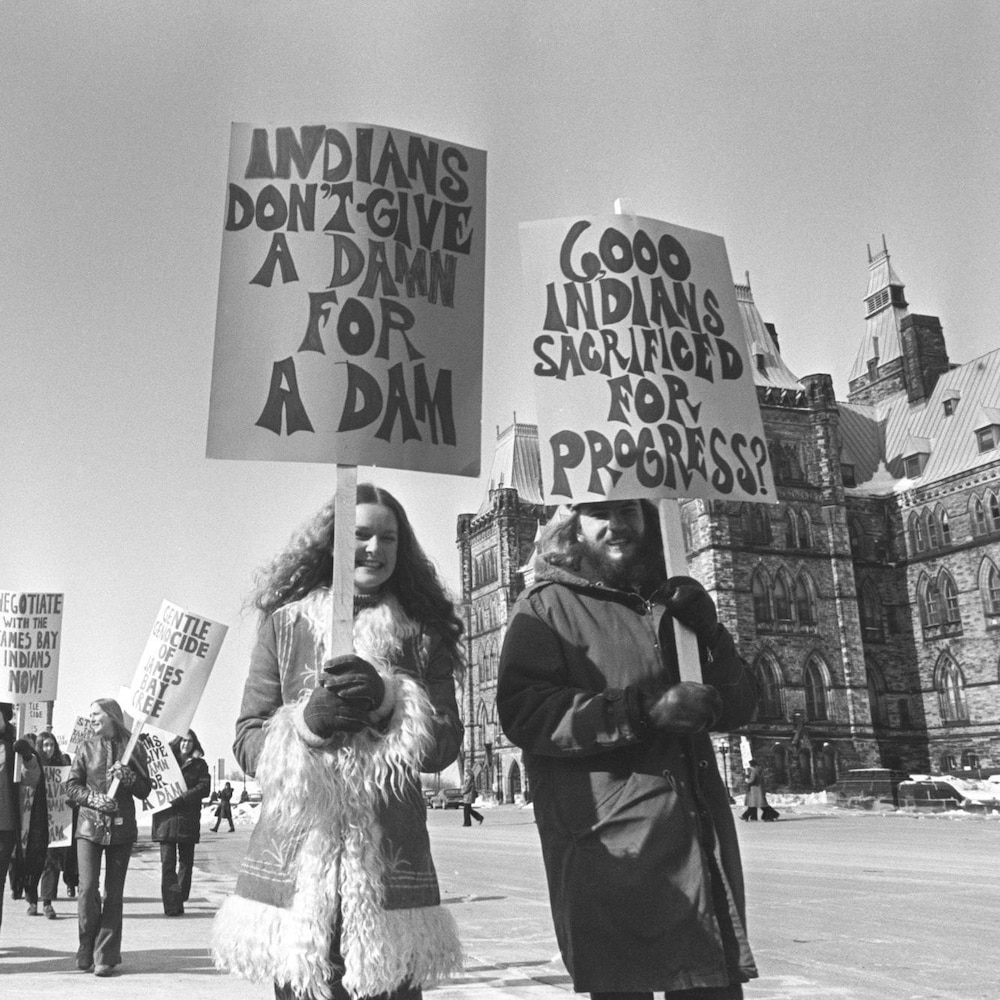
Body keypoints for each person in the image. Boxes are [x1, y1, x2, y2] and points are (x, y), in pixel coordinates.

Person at [497, 499, 760, 1000]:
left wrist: (711, 632)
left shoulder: (672, 603)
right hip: (612, 855)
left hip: (696, 854)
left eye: (628, 511)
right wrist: (642, 712)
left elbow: (740, 706)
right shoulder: (546, 607)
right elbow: (525, 711)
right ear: (573, 526)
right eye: (600, 513)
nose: (617, 525)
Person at [213, 483, 464, 1000]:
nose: (376, 549)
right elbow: (246, 740)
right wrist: (307, 723)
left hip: (389, 865)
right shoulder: (284, 627)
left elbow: (444, 746)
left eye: (389, 538)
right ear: (332, 544)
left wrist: (392, 702)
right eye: (361, 535)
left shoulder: (423, 634)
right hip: (298, 862)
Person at [66, 698, 151, 977]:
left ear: (112, 716)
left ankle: (106, 955)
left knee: (113, 894)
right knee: (88, 889)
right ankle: (85, 948)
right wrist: (92, 799)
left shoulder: (133, 748)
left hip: (121, 829)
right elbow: (72, 786)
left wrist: (128, 778)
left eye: (96, 714)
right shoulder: (85, 747)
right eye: (90, 714)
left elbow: (145, 789)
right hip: (89, 829)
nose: (92, 719)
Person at [151, 729, 211, 915]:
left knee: (186, 864)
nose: (186, 744)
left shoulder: (200, 765)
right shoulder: (165, 763)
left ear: (194, 744)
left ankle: (181, 897)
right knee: (167, 864)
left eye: (190, 742)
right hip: (165, 820)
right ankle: (171, 905)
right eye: (183, 741)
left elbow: (204, 787)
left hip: (187, 820)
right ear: (178, 742)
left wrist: (183, 798)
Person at [0, 703, 41, 938]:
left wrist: (27, 755)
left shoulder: (14, 746)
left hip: (4, 827)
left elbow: (32, 779)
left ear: (5, 718)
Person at [10, 728, 49, 917]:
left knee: (36, 860)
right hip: (7, 818)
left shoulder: (29, 759)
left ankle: (37, 899)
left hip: (31, 821)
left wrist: (27, 756)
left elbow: (31, 776)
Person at [36, 731, 71, 919]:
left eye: (51, 745)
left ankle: (47, 903)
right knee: (35, 862)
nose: (48, 748)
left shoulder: (62, 766)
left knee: (52, 861)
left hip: (56, 822)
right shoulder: (33, 764)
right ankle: (33, 899)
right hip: (35, 822)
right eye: (45, 745)